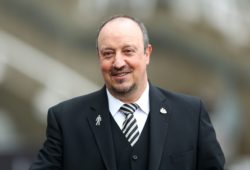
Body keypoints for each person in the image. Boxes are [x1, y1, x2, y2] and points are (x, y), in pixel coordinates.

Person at [30, 15, 225, 170]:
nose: (118, 63)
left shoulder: (190, 114)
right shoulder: (66, 120)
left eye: (128, 51)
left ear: (147, 54)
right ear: (99, 57)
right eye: (108, 53)